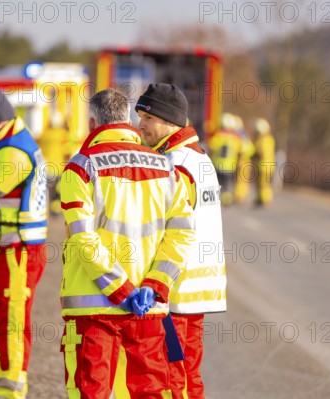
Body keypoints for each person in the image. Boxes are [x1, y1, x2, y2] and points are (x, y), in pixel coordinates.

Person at [59, 88, 195, 398]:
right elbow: (182, 234)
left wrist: (121, 290)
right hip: (148, 307)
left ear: (93, 122)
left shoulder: (80, 168)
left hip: (94, 307)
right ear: (127, 119)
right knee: (151, 391)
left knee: (91, 391)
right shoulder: (166, 167)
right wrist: (155, 285)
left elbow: (84, 240)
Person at [135, 83, 227, 399]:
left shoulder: (175, 163)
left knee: (174, 378)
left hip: (175, 287)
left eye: (147, 117)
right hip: (190, 290)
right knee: (186, 375)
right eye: (139, 116)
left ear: (169, 120)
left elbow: (170, 229)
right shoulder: (196, 158)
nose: (140, 124)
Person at [0, 88, 48, 399]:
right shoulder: (10, 143)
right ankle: (8, 386)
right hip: (12, 249)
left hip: (17, 251)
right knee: (4, 318)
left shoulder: (12, 154)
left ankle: (10, 390)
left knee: (11, 322)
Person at [208, 112, 243, 205]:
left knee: (216, 184)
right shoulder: (236, 137)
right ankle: (226, 200)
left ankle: (215, 201)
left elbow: (211, 147)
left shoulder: (218, 135)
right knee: (227, 186)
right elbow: (240, 150)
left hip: (218, 165)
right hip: (230, 166)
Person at [252, 117, 276, 207]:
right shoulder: (270, 139)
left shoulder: (262, 141)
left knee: (263, 184)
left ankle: (264, 200)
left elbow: (260, 153)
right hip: (269, 165)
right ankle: (262, 198)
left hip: (263, 165)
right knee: (265, 184)